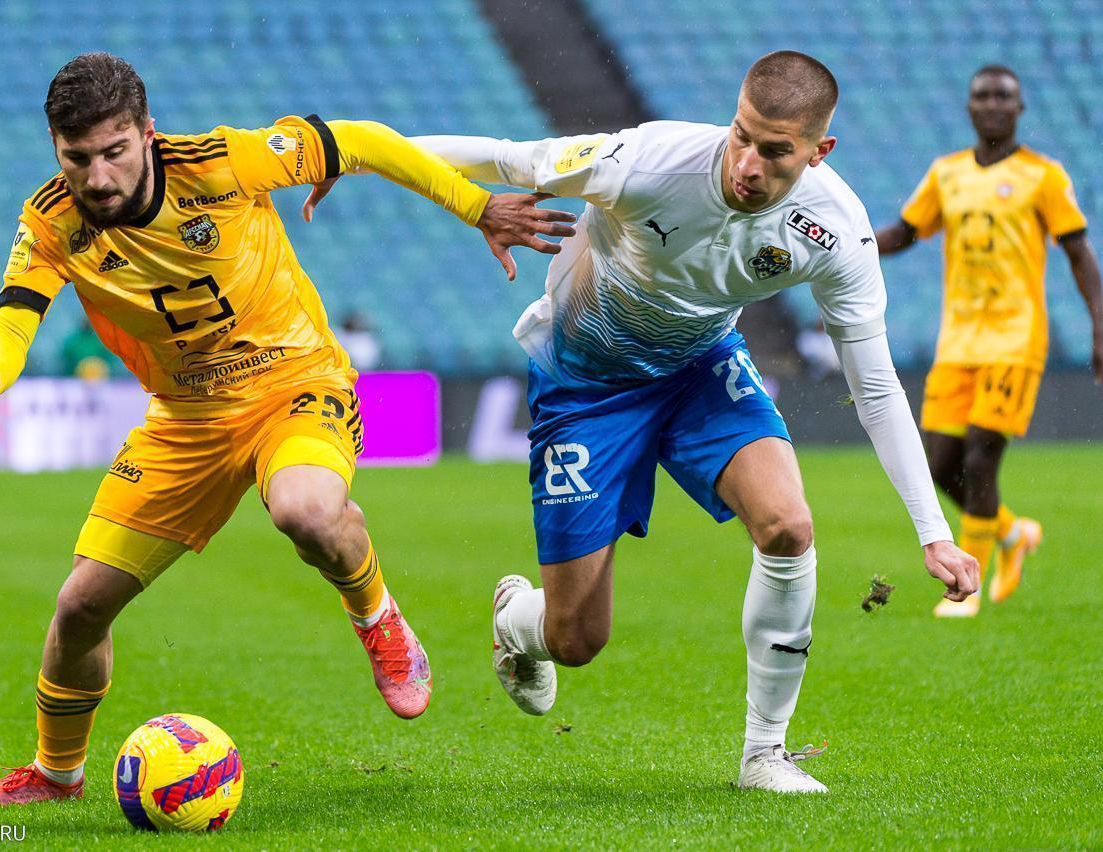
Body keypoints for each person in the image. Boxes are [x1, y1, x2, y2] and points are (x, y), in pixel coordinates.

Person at [315, 50, 980, 793]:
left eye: (775, 151)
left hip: (698, 368)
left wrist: (932, 531)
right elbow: (505, 159)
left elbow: (876, 384)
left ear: (819, 151)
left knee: (789, 527)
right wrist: (355, 153)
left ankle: (765, 753)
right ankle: (515, 621)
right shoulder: (650, 160)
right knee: (576, 639)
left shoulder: (835, 231)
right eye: (742, 136)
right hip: (585, 384)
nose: (747, 164)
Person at [0, 52, 573, 808]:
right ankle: (55, 775)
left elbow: (363, 140)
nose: (99, 177)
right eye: (78, 158)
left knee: (305, 510)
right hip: (185, 421)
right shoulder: (51, 221)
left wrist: (478, 208)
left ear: (148, 133)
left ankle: (377, 615)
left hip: (293, 383)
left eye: (115, 152)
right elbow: (14, 320)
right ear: (56, 148)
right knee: (80, 608)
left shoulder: (223, 163)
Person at [876, 65, 1103, 617]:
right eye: (983, 96)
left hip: (1015, 337)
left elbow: (1078, 252)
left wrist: (1100, 323)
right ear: (970, 107)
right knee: (938, 465)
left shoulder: (1043, 176)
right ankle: (1011, 533)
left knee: (980, 458)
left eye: (1004, 96)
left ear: (1019, 108)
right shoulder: (946, 173)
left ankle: (966, 591)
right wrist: (844, 245)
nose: (993, 104)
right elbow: (904, 233)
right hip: (958, 339)